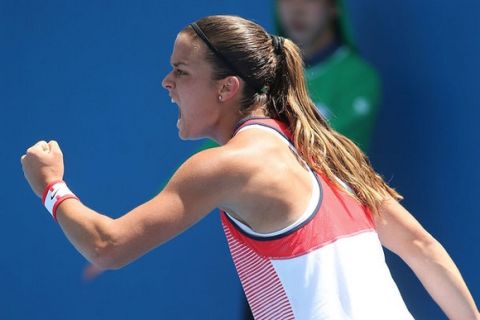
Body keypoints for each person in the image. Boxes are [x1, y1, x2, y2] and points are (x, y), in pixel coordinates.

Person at [21, 15, 478, 320]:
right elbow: (420, 245)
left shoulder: (225, 166)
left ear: (227, 88)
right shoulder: (329, 149)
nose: (167, 83)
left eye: (181, 71)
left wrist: (51, 187)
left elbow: (107, 246)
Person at [276, 0, 380, 151]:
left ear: (334, 6)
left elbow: (322, 152)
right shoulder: (260, 71)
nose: (297, 8)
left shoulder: (360, 79)